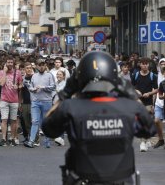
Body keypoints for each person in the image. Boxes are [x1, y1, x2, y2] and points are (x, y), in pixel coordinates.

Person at [42, 51, 155, 185]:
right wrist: (132, 95)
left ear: (79, 79)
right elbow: (149, 129)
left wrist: (65, 94)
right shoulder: (129, 107)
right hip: (121, 179)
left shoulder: (70, 107)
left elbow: (48, 128)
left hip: (82, 178)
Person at [0, 56, 22, 146]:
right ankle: (4, 138)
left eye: (11, 62)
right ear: (5, 63)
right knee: (4, 120)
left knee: (13, 120)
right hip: (4, 100)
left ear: (13, 63)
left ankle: (12, 138)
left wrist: (18, 87)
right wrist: (4, 71)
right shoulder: (0, 72)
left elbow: (21, 85)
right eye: (8, 62)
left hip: (14, 100)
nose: (10, 64)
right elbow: (1, 83)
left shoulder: (18, 72)